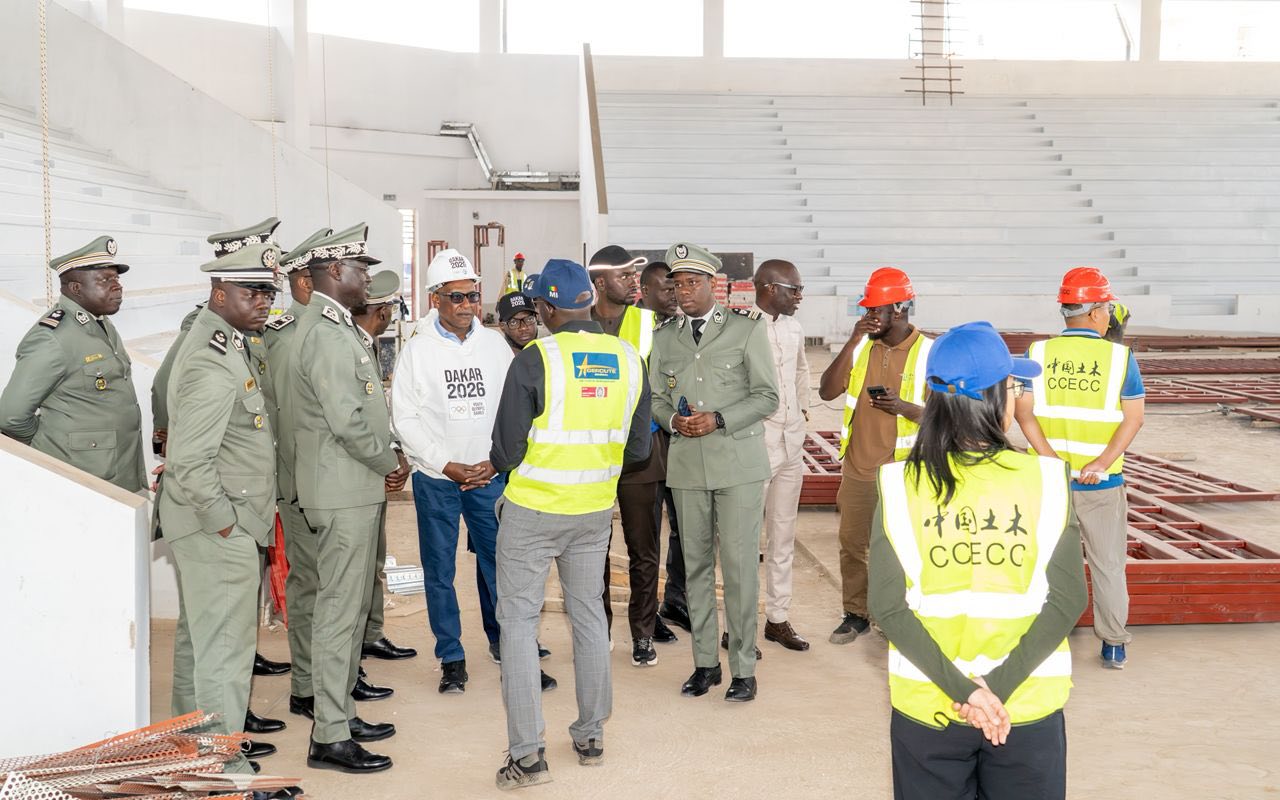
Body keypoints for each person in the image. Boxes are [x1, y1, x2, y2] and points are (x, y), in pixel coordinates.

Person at [869, 320, 1088, 800]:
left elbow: (887, 609)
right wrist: (994, 690)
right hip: (1023, 706)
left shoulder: (899, 484)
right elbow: (1069, 599)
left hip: (929, 707)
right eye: (1013, 385)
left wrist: (967, 693)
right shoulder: (1047, 481)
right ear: (995, 398)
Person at [489, 258, 651, 789]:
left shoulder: (536, 359)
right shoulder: (628, 358)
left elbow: (506, 452)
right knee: (588, 618)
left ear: (547, 307)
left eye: (537, 306)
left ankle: (528, 755)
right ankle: (590, 735)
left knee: (517, 623)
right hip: (592, 513)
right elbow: (640, 450)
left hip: (533, 511)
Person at [150, 218, 289, 746]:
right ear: (219, 291)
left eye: (268, 292)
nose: (263, 301)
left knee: (201, 641)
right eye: (252, 291)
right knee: (226, 650)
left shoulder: (226, 342)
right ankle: (221, 762)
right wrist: (226, 525)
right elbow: (189, 461)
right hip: (216, 526)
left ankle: (188, 749)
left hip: (216, 522)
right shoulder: (212, 359)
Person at [392, 250, 555, 695]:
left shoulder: (494, 346)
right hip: (437, 481)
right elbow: (404, 418)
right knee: (439, 571)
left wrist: (494, 462)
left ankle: (512, 648)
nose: (466, 304)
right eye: (457, 296)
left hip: (487, 479)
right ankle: (451, 657)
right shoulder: (416, 352)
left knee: (502, 567)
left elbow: (512, 409)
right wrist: (444, 463)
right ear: (435, 299)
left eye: (472, 295)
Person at [280, 223, 410, 774]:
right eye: (359, 269)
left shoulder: (331, 327)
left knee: (349, 605)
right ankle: (329, 734)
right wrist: (391, 462)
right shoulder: (328, 333)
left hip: (344, 487)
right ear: (335, 273)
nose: (365, 280)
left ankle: (339, 709)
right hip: (342, 489)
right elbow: (351, 421)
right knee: (338, 611)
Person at [649, 242, 779, 703]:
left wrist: (719, 418)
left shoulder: (746, 331)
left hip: (738, 465)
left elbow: (767, 397)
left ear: (713, 285)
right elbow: (657, 400)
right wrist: (671, 421)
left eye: (692, 283)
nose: (683, 291)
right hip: (686, 466)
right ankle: (706, 664)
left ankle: (744, 666)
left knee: (741, 569)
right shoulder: (664, 338)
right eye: (677, 284)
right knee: (696, 568)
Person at [1015, 267, 1145, 670]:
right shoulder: (1121, 358)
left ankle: (1049, 638)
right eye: (1107, 307)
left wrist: (1049, 457)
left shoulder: (1036, 354)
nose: (1110, 315)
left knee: (1050, 563)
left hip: (1050, 483)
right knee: (1107, 565)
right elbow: (1134, 418)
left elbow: (1023, 414)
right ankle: (1113, 644)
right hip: (1101, 484)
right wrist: (1102, 462)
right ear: (1094, 313)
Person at [817, 267, 932, 646]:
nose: (867, 317)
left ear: (899, 309)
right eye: (865, 311)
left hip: (907, 472)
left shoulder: (931, 353)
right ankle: (855, 613)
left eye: (875, 311)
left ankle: (896, 615)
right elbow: (827, 392)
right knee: (852, 544)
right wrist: (852, 340)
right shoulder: (862, 346)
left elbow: (949, 414)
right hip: (859, 469)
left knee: (902, 549)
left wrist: (903, 407)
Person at [0, 235, 146, 494]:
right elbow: (10, 416)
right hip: (83, 474)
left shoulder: (101, 324)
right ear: (76, 288)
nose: (117, 286)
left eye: (117, 279)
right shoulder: (53, 337)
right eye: (105, 280)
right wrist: (52, 445)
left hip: (118, 469)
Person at [588, 245, 677, 665]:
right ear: (601, 282)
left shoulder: (650, 322)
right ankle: (597, 629)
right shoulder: (577, 323)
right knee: (592, 549)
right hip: (589, 454)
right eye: (625, 277)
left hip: (643, 453)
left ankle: (642, 633)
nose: (634, 284)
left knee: (644, 550)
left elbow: (666, 384)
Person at [265, 226, 333, 721]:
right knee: (313, 585)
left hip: (318, 482)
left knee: (326, 584)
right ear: (306, 283)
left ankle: (325, 680)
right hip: (303, 484)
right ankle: (309, 686)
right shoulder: (288, 335)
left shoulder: (321, 329)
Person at [352, 271, 419, 665]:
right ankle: (351, 654)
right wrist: (387, 462)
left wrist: (394, 453)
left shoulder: (368, 345)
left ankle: (371, 633)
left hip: (372, 471)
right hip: (353, 476)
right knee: (353, 575)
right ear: (379, 311)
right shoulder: (348, 346)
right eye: (389, 308)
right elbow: (347, 421)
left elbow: (376, 414)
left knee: (374, 561)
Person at [750, 259, 811, 652]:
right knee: (741, 541)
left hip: (791, 447)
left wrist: (802, 415)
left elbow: (802, 373)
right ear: (770, 289)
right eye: (795, 289)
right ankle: (737, 623)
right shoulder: (740, 327)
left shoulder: (794, 328)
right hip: (756, 446)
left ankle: (777, 619)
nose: (800, 296)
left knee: (783, 538)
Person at [641, 261, 692, 635]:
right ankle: (647, 615)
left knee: (686, 526)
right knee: (647, 533)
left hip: (684, 440)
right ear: (645, 291)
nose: (674, 295)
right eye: (666, 289)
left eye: (677, 288)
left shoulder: (685, 328)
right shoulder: (635, 330)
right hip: (648, 442)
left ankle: (676, 599)